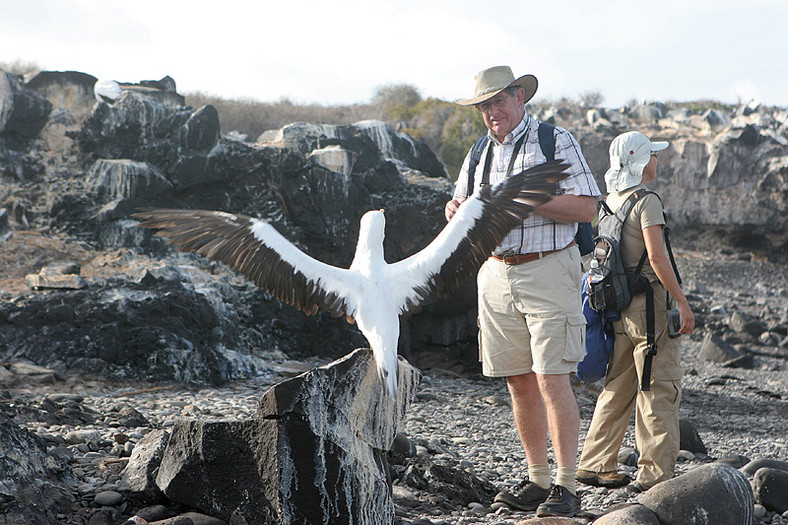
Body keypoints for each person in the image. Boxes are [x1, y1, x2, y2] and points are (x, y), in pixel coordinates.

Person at [445, 65, 600, 518]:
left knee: (553, 378)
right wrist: (454, 208)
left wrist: (528, 198)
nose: (492, 111)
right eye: (484, 105)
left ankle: (567, 487)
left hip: (549, 269)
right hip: (494, 273)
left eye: (498, 101)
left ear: (519, 97)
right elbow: (459, 207)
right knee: (517, 379)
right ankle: (537, 478)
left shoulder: (556, 141)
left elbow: (587, 207)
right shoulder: (477, 153)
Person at [576, 131, 695, 493]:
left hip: (619, 305)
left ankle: (595, 463)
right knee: (658, 387)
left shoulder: (612, 199)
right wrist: (683, 303)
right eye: (653, 156)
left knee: (620, 383)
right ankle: (655, 476)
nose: (658, 161)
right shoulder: (647, 201)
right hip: (651, 311)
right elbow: (657, 258)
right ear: (641, 162)